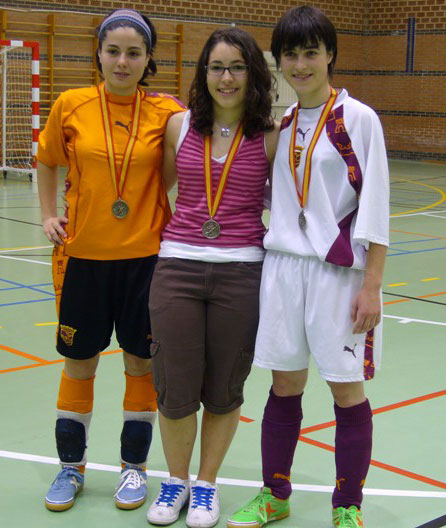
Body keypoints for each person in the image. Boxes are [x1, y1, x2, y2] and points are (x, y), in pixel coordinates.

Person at [227, 6, 389, 528]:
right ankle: (275, 495)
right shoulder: (283, 125)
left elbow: (377, 206)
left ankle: (347, 507)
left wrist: (373, 285)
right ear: (279, 62)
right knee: (283, 387)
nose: (300, 64)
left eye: (310, 53)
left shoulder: (358, 119)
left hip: (338, 277)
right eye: (290, 55)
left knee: (346, 389)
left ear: (330, 56)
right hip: (282, 270)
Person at [36, 8, 185, 513]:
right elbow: (46, 159)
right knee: (80, 363)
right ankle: (70, 468)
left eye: (134, 53)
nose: (123, 61)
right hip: (83, 258)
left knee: (141, 363)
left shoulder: (168, 112)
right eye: (113, 51)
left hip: (145, 259)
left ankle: (133, 470)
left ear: (148, 60)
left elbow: (208, 138)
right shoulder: (71, 105)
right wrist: (47, 214)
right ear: (98, 54)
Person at [144, 28, 279, 528]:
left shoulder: (269, 135)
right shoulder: (179, 127)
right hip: (177, 268)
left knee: (224, 388)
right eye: (217, 67)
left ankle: (205, 486)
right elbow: (157, 191)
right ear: (204, 73)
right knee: (175, 388)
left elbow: (284, 208)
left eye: (238, 67)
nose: (227, 77)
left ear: (254, 74)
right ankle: (176, 480)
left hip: (242, 275)